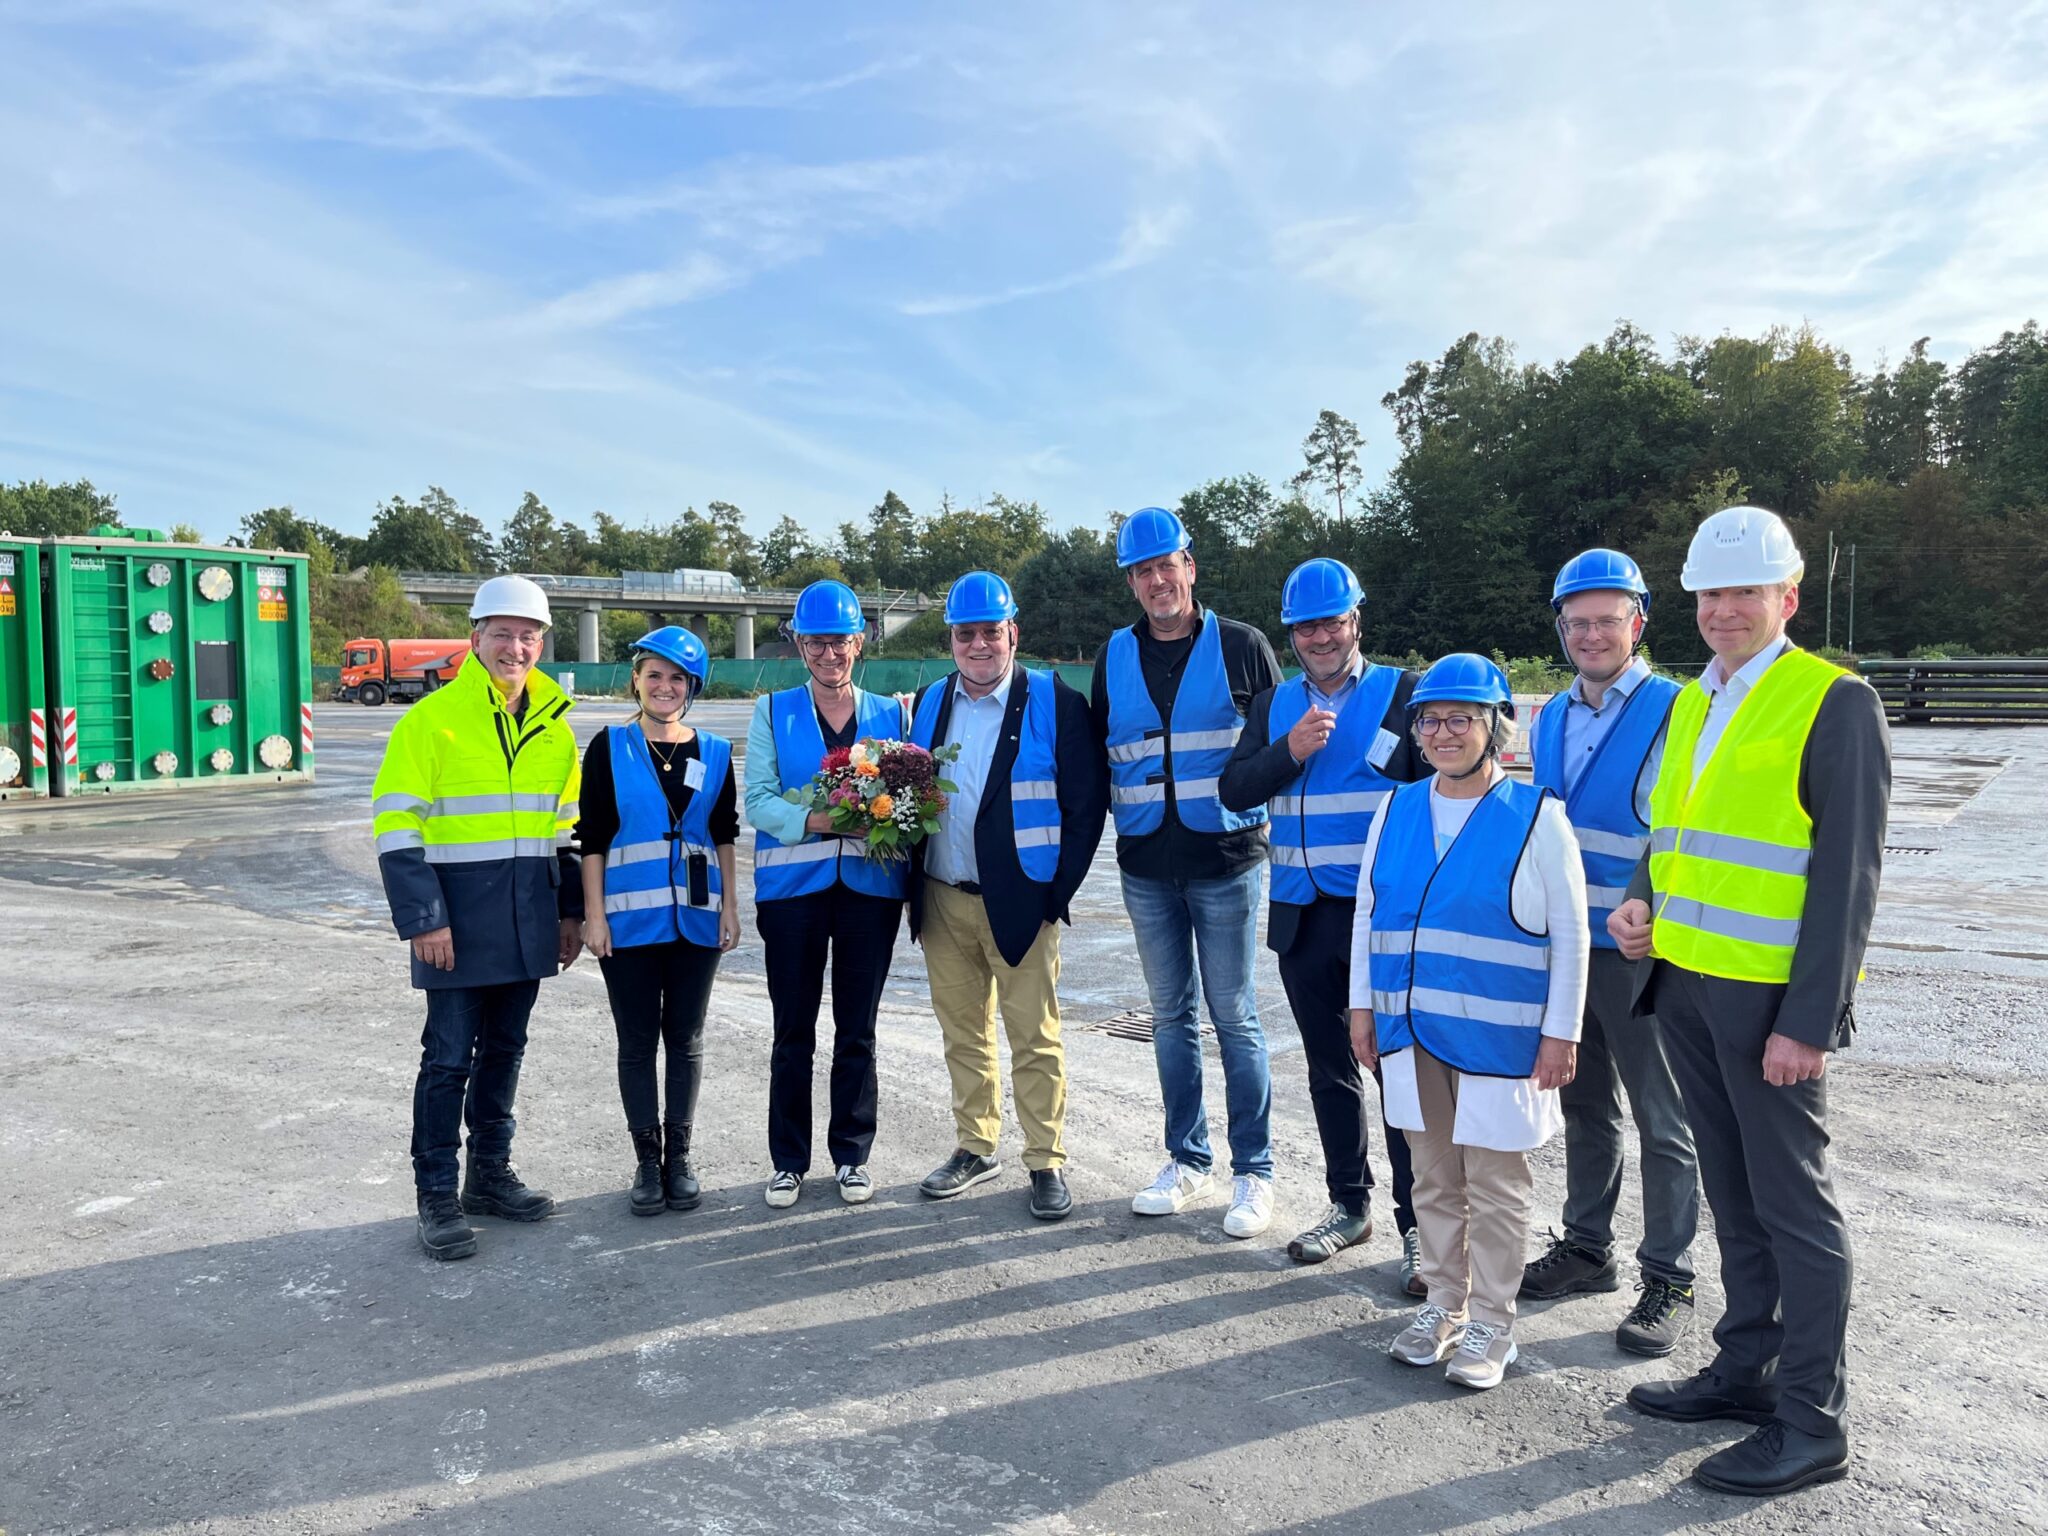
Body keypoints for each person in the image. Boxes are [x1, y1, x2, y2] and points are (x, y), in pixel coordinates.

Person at [1612, 506, 1887, 1496]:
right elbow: (1671, 829)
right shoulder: (1693, 701)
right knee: (1732, 1196)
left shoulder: (1831, 701)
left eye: (1743, 592)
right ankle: (1746, 1369)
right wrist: (1639, 901)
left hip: (1768, 1003)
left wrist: (1808, 1023)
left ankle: (1811, 1423)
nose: (1723, 610)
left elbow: (1847, 878)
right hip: (1683, 984)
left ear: (1787, 598)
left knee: (1792, 1208)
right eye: (1708, 593)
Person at [1348, 653, 1589, 1391]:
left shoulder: (1538, 817)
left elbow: (1573, 936)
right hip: (1409, 1031)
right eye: (1431, 719)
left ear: (1496, 728)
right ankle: (1443, 1303)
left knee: (1494, 1185)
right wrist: (1360, 1006)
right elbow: (1367, 916)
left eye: (1462, 718)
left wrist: (1562, 1031)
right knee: (1431, 1179)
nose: (1444, 732)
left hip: (1499, 1040)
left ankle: (1493, 1321)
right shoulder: (1395, 810)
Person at [1218, 558, 1424, 1283]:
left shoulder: (1402, 693)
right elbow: (1234, 786)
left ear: (1355, 622)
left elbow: (1438, 796)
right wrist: (1289, 750)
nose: (1320, 637)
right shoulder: (1275, 705)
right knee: (1329, 1070)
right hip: (1301, 916)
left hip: (1381, 919)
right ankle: (1349, 1206)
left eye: (1332, 622)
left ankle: (1418, 1225)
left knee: (1397, 1074)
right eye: (1306, 626)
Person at [1519, 550, 1702, 1358]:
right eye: (1578, 621)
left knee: (1666, 1120)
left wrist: (1654, 908)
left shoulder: (1678, 709)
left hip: (1640, 950)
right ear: (1561, 628)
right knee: (1585, 1105)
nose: (1593, 634)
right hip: (1570, 949)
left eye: (1608, 619)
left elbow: (1684, 829)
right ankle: (1588, 1249)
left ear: (1639, 622)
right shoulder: (1550, 716)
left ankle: (1668, 1275)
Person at [371, 574, 583, 1262]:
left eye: (528, 636)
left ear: (542, 643)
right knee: (446, 1061)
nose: (515, 647)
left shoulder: (555, 727)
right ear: (475, 639)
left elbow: (568, 832)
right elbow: (396, 826)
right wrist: (424, 919)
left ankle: (487, 1176)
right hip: (453, 929)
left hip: (527, 921)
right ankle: (436, 1193)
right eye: (502, 634)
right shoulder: (429, 720)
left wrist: (570, 915)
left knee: (506, 1052)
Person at [1091, 506, 1285, 1238]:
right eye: (1141, 571)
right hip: (1146, 864)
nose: (1155, 580)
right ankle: (1187, 1159)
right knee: (1170, 1019)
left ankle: (1254, 1174)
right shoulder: (1113, 656)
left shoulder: (1243, 646)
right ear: (1132, 583)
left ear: (1190, 568)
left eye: (1166, 565)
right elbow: (1104, 752)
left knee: (1234, 1017)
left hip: (1227, 862)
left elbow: (1274, 751)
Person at [906, 572, 1108, 1221]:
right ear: (953, 640)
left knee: (1034, 1036)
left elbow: (1085, 806)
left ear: (1012, 633)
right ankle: (975, 1146)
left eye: (991, 632)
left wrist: (1056, 894)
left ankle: (1045, 1160)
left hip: (1021, 902)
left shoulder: (1053, 700)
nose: (979, 645)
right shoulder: (933, 700)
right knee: (962, 1034)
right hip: (942, 897)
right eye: (966, 634)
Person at [744, 579, 908, 1209]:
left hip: (869, 890)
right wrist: (819, 821)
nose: (829, 653)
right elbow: (758, 799)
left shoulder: (893, 715)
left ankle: (851, 1156)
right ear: (799, 645)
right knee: (793, 1029)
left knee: (858, 1028)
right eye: (816, 641)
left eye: (839, 641)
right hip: (793, 892)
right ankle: (788, 1160)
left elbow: (913, 802)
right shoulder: (772, 710)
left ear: (859, 643)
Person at [577, 626, 740, 1218]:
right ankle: (647, 1161)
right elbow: (591, 838)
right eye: (655, 676)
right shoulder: (608, 747)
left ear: (690, 688)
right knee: (638, 1041)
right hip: (627, 923)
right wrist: (594, 916)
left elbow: (724, 833)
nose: (664, 687)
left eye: (677, 679)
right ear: (637, 682)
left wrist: (731, 905)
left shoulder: (715, 753)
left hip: (697, 923)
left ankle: (680, 1159)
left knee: (688, 1039)